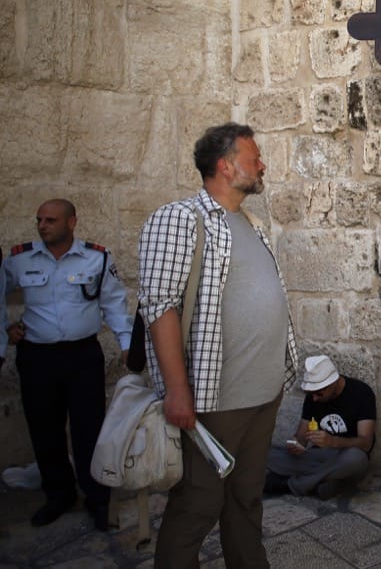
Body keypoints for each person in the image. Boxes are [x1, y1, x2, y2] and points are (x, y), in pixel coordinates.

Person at [138, 123, 299, 568]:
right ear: (226, 166)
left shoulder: (250, 223)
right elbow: (160, 306)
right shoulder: (180, 218)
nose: (262, 164)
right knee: (197, 504)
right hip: (214, 398)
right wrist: (176, 389)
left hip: (263, 394)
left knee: (247, 498)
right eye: (254, 156)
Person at [0, 199, 132, 531]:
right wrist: (5, 328)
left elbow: (114, 304)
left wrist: (128, 344)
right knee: (45, 429)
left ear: (72, 222)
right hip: (37, 357)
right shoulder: (19, 260)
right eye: (39, 220)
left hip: (82, 357)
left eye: (51, 220)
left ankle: (98, 499)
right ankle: (58, 495)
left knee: (90, 429)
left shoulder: (97, 258)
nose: (43, 225)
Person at [264, 355, 375, 499]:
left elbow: (366, 444)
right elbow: (302, 436)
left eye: (319, 393)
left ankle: (294, 485)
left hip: (344, 457)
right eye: (311, 393)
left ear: (333, 383)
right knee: (265, 454)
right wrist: (297, 444)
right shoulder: (313, 397)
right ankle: (327, 482)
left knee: (356, 459)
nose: (314, 398)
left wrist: (333, 441)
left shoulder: (361, 393)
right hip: (318, 457)